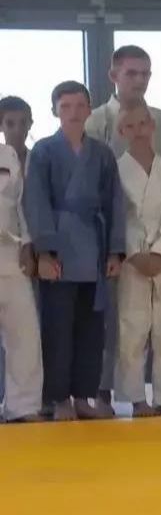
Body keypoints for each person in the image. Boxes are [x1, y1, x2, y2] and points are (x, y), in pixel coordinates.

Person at [24, 81, 125, 422]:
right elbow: (36, 202)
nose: (73, 112)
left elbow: (114, 202)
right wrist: (44, 252)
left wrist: (114, 251)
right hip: (60, 247)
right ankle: (57, 398)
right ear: (55, 110)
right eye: (66, 106)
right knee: (57, 327)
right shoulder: (44, 151)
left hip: (93, 246)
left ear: (89, 110)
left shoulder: (102, 153)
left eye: (80, 105)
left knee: (91, 328)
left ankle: (83, 395)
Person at [114, 105, 161, 417]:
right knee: (133, 329)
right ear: (122, 132)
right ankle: (136, 399)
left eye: (143, 123)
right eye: (130, 126)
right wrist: (135, 252)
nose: (138, 130)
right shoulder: (115, 170)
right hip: (133, 261)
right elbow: (119, 216)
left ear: (153, 125)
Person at [0, 139, 41, 423]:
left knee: (24, 332)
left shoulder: (8, 155)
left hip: (10, 252)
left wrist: (27, 243)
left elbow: (21, 203)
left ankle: (23, 407)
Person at [86, 45, 161, 160]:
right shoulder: (94, 122)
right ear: (113, 76)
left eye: (145, 74)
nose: (140, 80)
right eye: (131, 74)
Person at [0, 97, 33, 172]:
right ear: (0, 126)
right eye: (10, 124)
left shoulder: (41, 161)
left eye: (23, 123)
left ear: (30, 124)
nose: (17, 130)